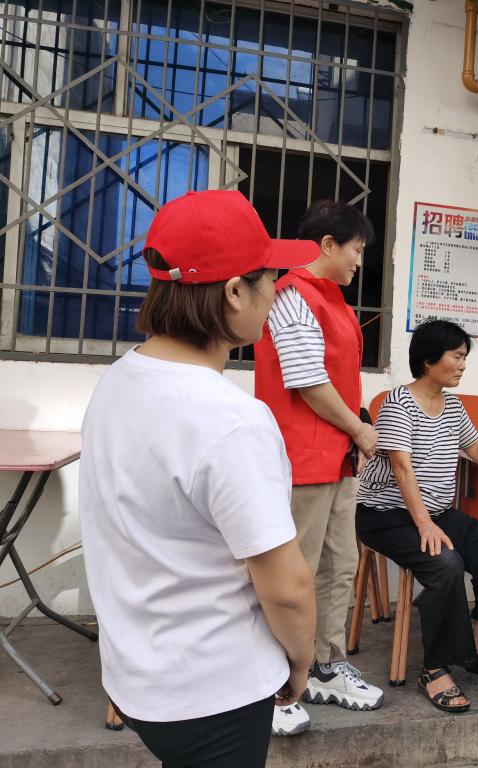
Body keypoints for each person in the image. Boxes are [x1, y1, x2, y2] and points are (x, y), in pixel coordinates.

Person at [79, 190, 317, 767]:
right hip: (215, 691)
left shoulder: (118, 381)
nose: (276, 293)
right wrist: (299, 661)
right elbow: (286, 587)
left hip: (137, 679)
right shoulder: (231, 419)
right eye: (272, 279)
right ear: (235, 292)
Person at [356, 320, 478, 714]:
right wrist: (424, 524)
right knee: (446, 563)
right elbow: (402, 468)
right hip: (386, 515)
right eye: (457, 356)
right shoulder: (399, 403)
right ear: (428, 361)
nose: (463, 365)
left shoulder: (452, 405)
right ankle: (434, 668)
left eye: (464, 357)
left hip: (436, 512)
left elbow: (475, 448)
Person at [254, 200, 383, 734]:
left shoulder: (333, 301)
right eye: (355, 249)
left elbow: (337, 379)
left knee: (338, 565)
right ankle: (273, 684)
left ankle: (324, 665)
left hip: (337, 459)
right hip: (302, 459)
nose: (359, 261)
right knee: (294, 573)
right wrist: (360, 429)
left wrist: (354, 431)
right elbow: (307, 380)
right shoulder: (293, 295)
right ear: (327, 245)